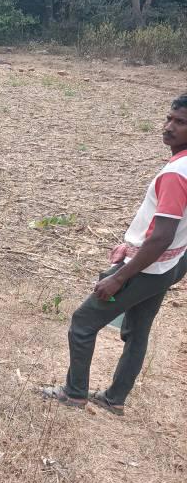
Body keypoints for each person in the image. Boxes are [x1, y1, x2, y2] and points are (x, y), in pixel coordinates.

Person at [41, 94, 187, 415]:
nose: (168, 127)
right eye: (169, 118)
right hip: (168, 265)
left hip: (148, 267)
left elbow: (162, 235)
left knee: (83, 321)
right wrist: (136, 246)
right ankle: (114, 399)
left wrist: (120, 277)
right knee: (138, 331)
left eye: (180, 122)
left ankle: (74, 394)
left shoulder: (177, 173)